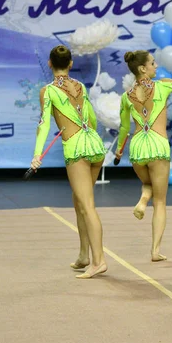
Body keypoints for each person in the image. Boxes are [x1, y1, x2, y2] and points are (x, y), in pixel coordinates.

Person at [116, 50, 172, 262]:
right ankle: (155, 250)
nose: (156, 66)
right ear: (143, 68)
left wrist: (119, 150)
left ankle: (144, 199)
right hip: (157, 145)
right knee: (161, 201)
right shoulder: (162, 85)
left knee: (148, 184)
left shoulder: (126, 97)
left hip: (137, 147)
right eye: (153, 63)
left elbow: (124, 127)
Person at [30, 45, 107, 279]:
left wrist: (37, 154)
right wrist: (89, 138)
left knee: (87, 206)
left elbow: (43, 124)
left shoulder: (48, 91)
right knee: (79, 201)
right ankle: (84, 254)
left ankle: (99, 260)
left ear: (50, 63)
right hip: (94, 145)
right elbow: (91, 117)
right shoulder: (80, 86)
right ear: (70, 64)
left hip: (76, 148)